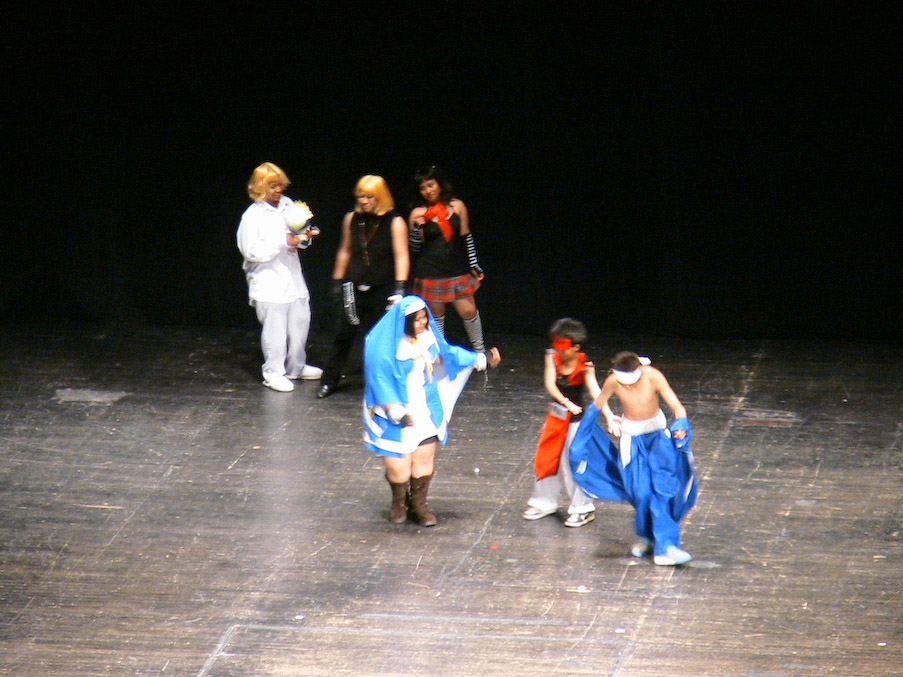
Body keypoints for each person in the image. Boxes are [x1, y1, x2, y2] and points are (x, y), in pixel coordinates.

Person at [363, 295, 501, 526]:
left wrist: (480, 359)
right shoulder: (384, 348)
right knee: (399, 468)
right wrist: (395, 411)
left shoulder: (427, 339)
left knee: (424, 459)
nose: (423, 323)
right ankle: (398, 502)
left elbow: (447, 355)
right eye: (417, 319)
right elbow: (380, 381)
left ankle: (419, 504)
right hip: (394, 417)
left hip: (425, 409)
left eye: (425, 318)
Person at [569, 351, 698, 566]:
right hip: (631, 442)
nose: (627, 387)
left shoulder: (653, 376)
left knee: (663, 491)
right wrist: (604, 421)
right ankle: (649, 537)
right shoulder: (613, 381)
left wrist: (681, 425)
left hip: (657, 440)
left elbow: (678, 407)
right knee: (641, 493)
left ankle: (667, 546)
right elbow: (597, 405)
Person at [317, 175, 410, 399]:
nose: (364, 201)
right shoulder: (352, 219)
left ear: (380, 197)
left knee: (383, 337)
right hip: (354, 284)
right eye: (361, 196)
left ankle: (385, 382)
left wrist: (400, 288)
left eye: (369, 196)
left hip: (383, 286)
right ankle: (330, 380)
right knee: (343, 333)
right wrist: (337, 281)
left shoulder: (395, 222)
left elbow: (402, 256)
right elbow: (345, 250)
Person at [237, 162, 322, 392]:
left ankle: (296, 366)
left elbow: (299, 238)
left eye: (280, 185)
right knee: (276, 330)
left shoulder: (289, 205)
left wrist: (305, 237)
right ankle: (273, 372)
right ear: (260, 187)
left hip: (292, 277)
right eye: (272, 185)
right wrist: (284, 242)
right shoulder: (252, 215)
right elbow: (251, 251)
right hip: (268, 281)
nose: (278, 190)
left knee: (300, 322)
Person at [522, 318, 601, 527]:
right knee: (547, 458)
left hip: (576, 420)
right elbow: (550, 384)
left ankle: (583, 508)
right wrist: (565, 402)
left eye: (563, 345)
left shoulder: (585, 364)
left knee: (571, 462)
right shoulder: (552, 357)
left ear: (576, 346)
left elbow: (595, 391)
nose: (558, 349)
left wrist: (609, 415)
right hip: (557, 416)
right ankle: (544, 502)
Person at [408, 166, 486, 352]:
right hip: (430, 270)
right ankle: (440, 353)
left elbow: (466, 236)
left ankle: (480, 351)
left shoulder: (457, 206)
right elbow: (415, 248)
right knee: (437, 316)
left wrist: (474, 264)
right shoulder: (418, 213)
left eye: (431, 185)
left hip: (455, 269)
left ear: (439, 184)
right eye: (423, 188)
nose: (428, 191)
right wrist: (417, 229)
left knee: (469, 311)